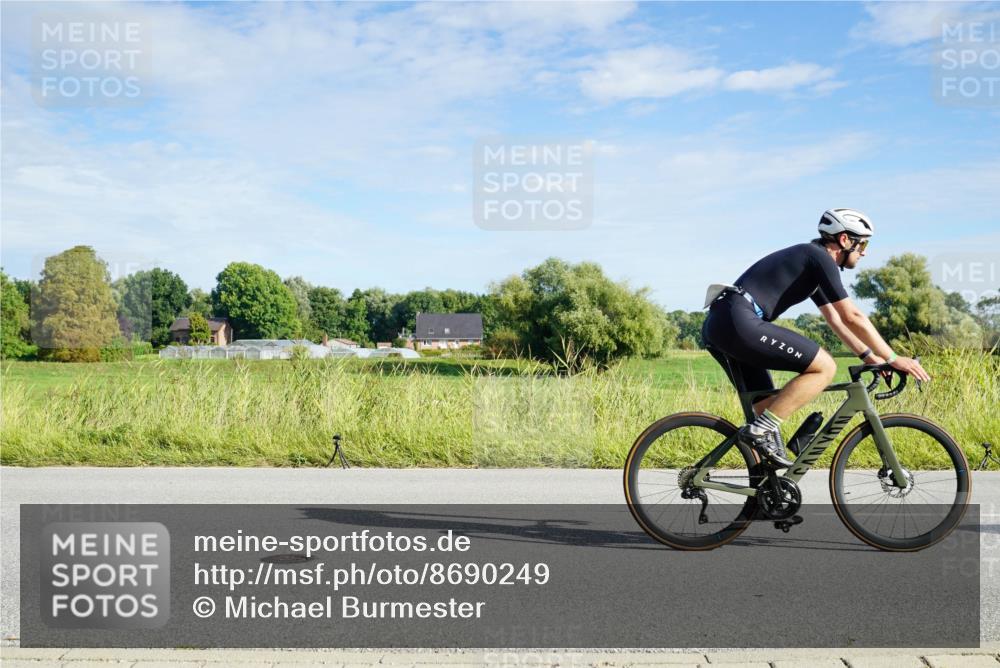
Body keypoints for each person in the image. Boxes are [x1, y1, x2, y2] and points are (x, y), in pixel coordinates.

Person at [701, 208, 931, 468]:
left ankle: (767, 487)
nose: (864, 252)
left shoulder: (813, 264)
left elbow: (835, 320)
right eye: (863, 244)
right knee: (825, 367)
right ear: (844, 240)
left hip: (725, 323)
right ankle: (757, 431)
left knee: (767, 407)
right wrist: (893, 357)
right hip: (737, 321)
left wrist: (870, 357)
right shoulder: (818, 257)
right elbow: (852, 316)